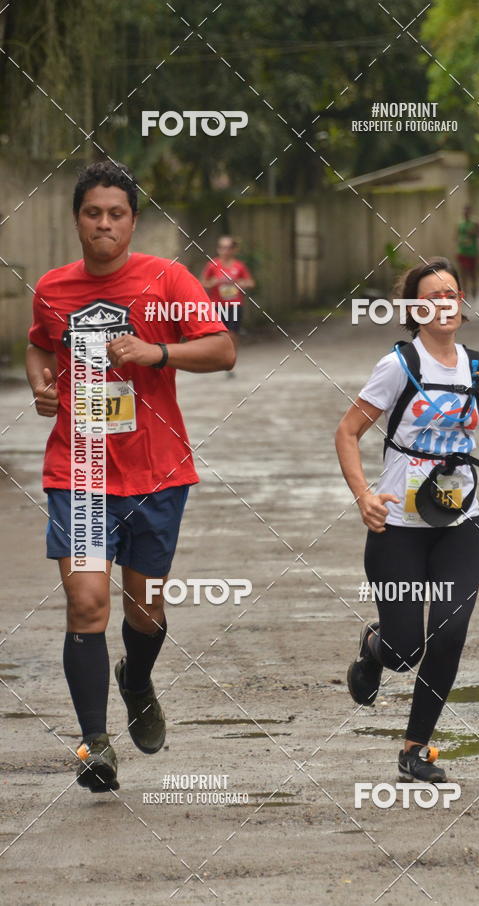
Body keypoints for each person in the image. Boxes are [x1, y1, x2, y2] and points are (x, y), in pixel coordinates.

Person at [26, 160, 235, 793]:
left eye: (117, 214)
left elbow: (222, 349)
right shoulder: (53, 288)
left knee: (144, 610)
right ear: (77, 220)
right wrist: (41, 380)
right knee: (87, 601)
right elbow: (40, 343)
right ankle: (95, 745)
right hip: (80, 468)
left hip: (155, 471)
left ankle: (137, 680)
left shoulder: (167, 279)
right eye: (94, 214)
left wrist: (157, 351)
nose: (105, 225)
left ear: (133, 221)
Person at [335, 257, 479, 783]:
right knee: (405, 652)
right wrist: (364, 494)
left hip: (458, 523)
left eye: (451, 294)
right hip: (397, 530)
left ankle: (416, 748)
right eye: (432, 296)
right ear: (415, 309)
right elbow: (346, 433)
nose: (444, 303)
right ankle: (373, 648)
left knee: (450, 631)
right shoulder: (399, 365)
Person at [200, 236, 255, 377]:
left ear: (234, 250)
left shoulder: (239, 266)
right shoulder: (212, 265)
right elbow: (202, 284)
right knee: (218, 334)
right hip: (217, 305)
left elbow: (250, 283)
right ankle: (218, 359)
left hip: (235, 305)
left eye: (228, 248)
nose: (225, 251)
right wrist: (214, 282)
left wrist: (238, 282)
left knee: (232, 334)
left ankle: (231, 360)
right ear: (218, 249)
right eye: (222, 247)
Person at [456, 205, 479, 299]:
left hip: (472, 252)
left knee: (473, 273)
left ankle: (474, 289)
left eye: (467, 211)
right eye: (464, 211)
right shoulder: (460, 224)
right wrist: (460, 240)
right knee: (462, 273)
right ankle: (465, 292)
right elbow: (455, 237)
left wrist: (475, 232)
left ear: (470, 212)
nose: (465, 213)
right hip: (462, 251)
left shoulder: (475, 223)